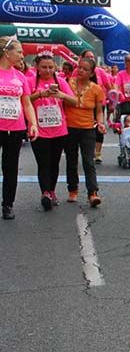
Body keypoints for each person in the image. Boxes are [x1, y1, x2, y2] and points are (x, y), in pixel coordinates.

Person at [28, 52, 77, 211]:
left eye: (50, 67)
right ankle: (45, 193)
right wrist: (41, 94)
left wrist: (60, 94)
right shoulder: (31, 82)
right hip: (39, 130)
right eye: (44, 67)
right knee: (43, 163)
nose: (48, 70)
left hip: (59, 129)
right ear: (37, 67)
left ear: (55, 67)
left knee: (54, 163)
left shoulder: (60, 81)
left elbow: (75, 101)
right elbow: (25, 100)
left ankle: (52, 191)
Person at [0, 37, 39, 220]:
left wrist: (33, 123)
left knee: (11, 168)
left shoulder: (20, 76)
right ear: (7, 53)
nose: (22, 55)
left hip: (15, 128)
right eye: (19, 51)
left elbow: (27, 103)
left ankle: (8, 204)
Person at [65, 57, 106, 207]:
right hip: (69, 127)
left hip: (88, 128)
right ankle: (73, 189)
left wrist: (100, 123)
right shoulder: (68, 83)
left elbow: (99, 111)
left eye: (85, 69)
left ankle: (92, 193)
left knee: (89, 161)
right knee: (71, 160)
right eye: (79, 67)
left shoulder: (96, 89)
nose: (81, 70)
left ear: (91, 73)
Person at [80, 49, 113, 163]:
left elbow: (109, 87)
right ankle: (87, 150)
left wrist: (112, 100)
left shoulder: (101, 72)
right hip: (83, 106)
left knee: (99, 127)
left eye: (92, 57)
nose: (91, 59)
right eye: (88, 57)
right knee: (86, 130)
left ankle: (97, 153)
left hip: (99, 104)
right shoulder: (77, 72)